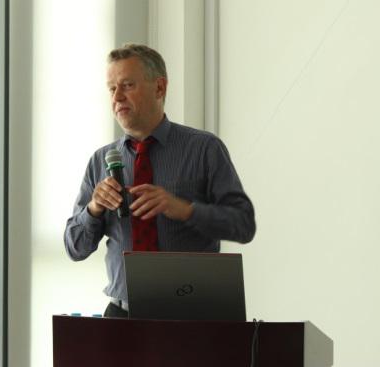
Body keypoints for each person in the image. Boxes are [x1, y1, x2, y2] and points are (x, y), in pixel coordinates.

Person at [64, 43, 256, 318]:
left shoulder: (204, 149)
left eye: (127, 85)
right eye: (111, 88)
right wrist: (93, 209)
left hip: (192, 317)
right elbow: (74, 248)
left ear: (159, 88)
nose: (117, 97)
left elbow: (243, 225)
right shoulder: (100, 160)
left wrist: (185, 209)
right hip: (122, 317)